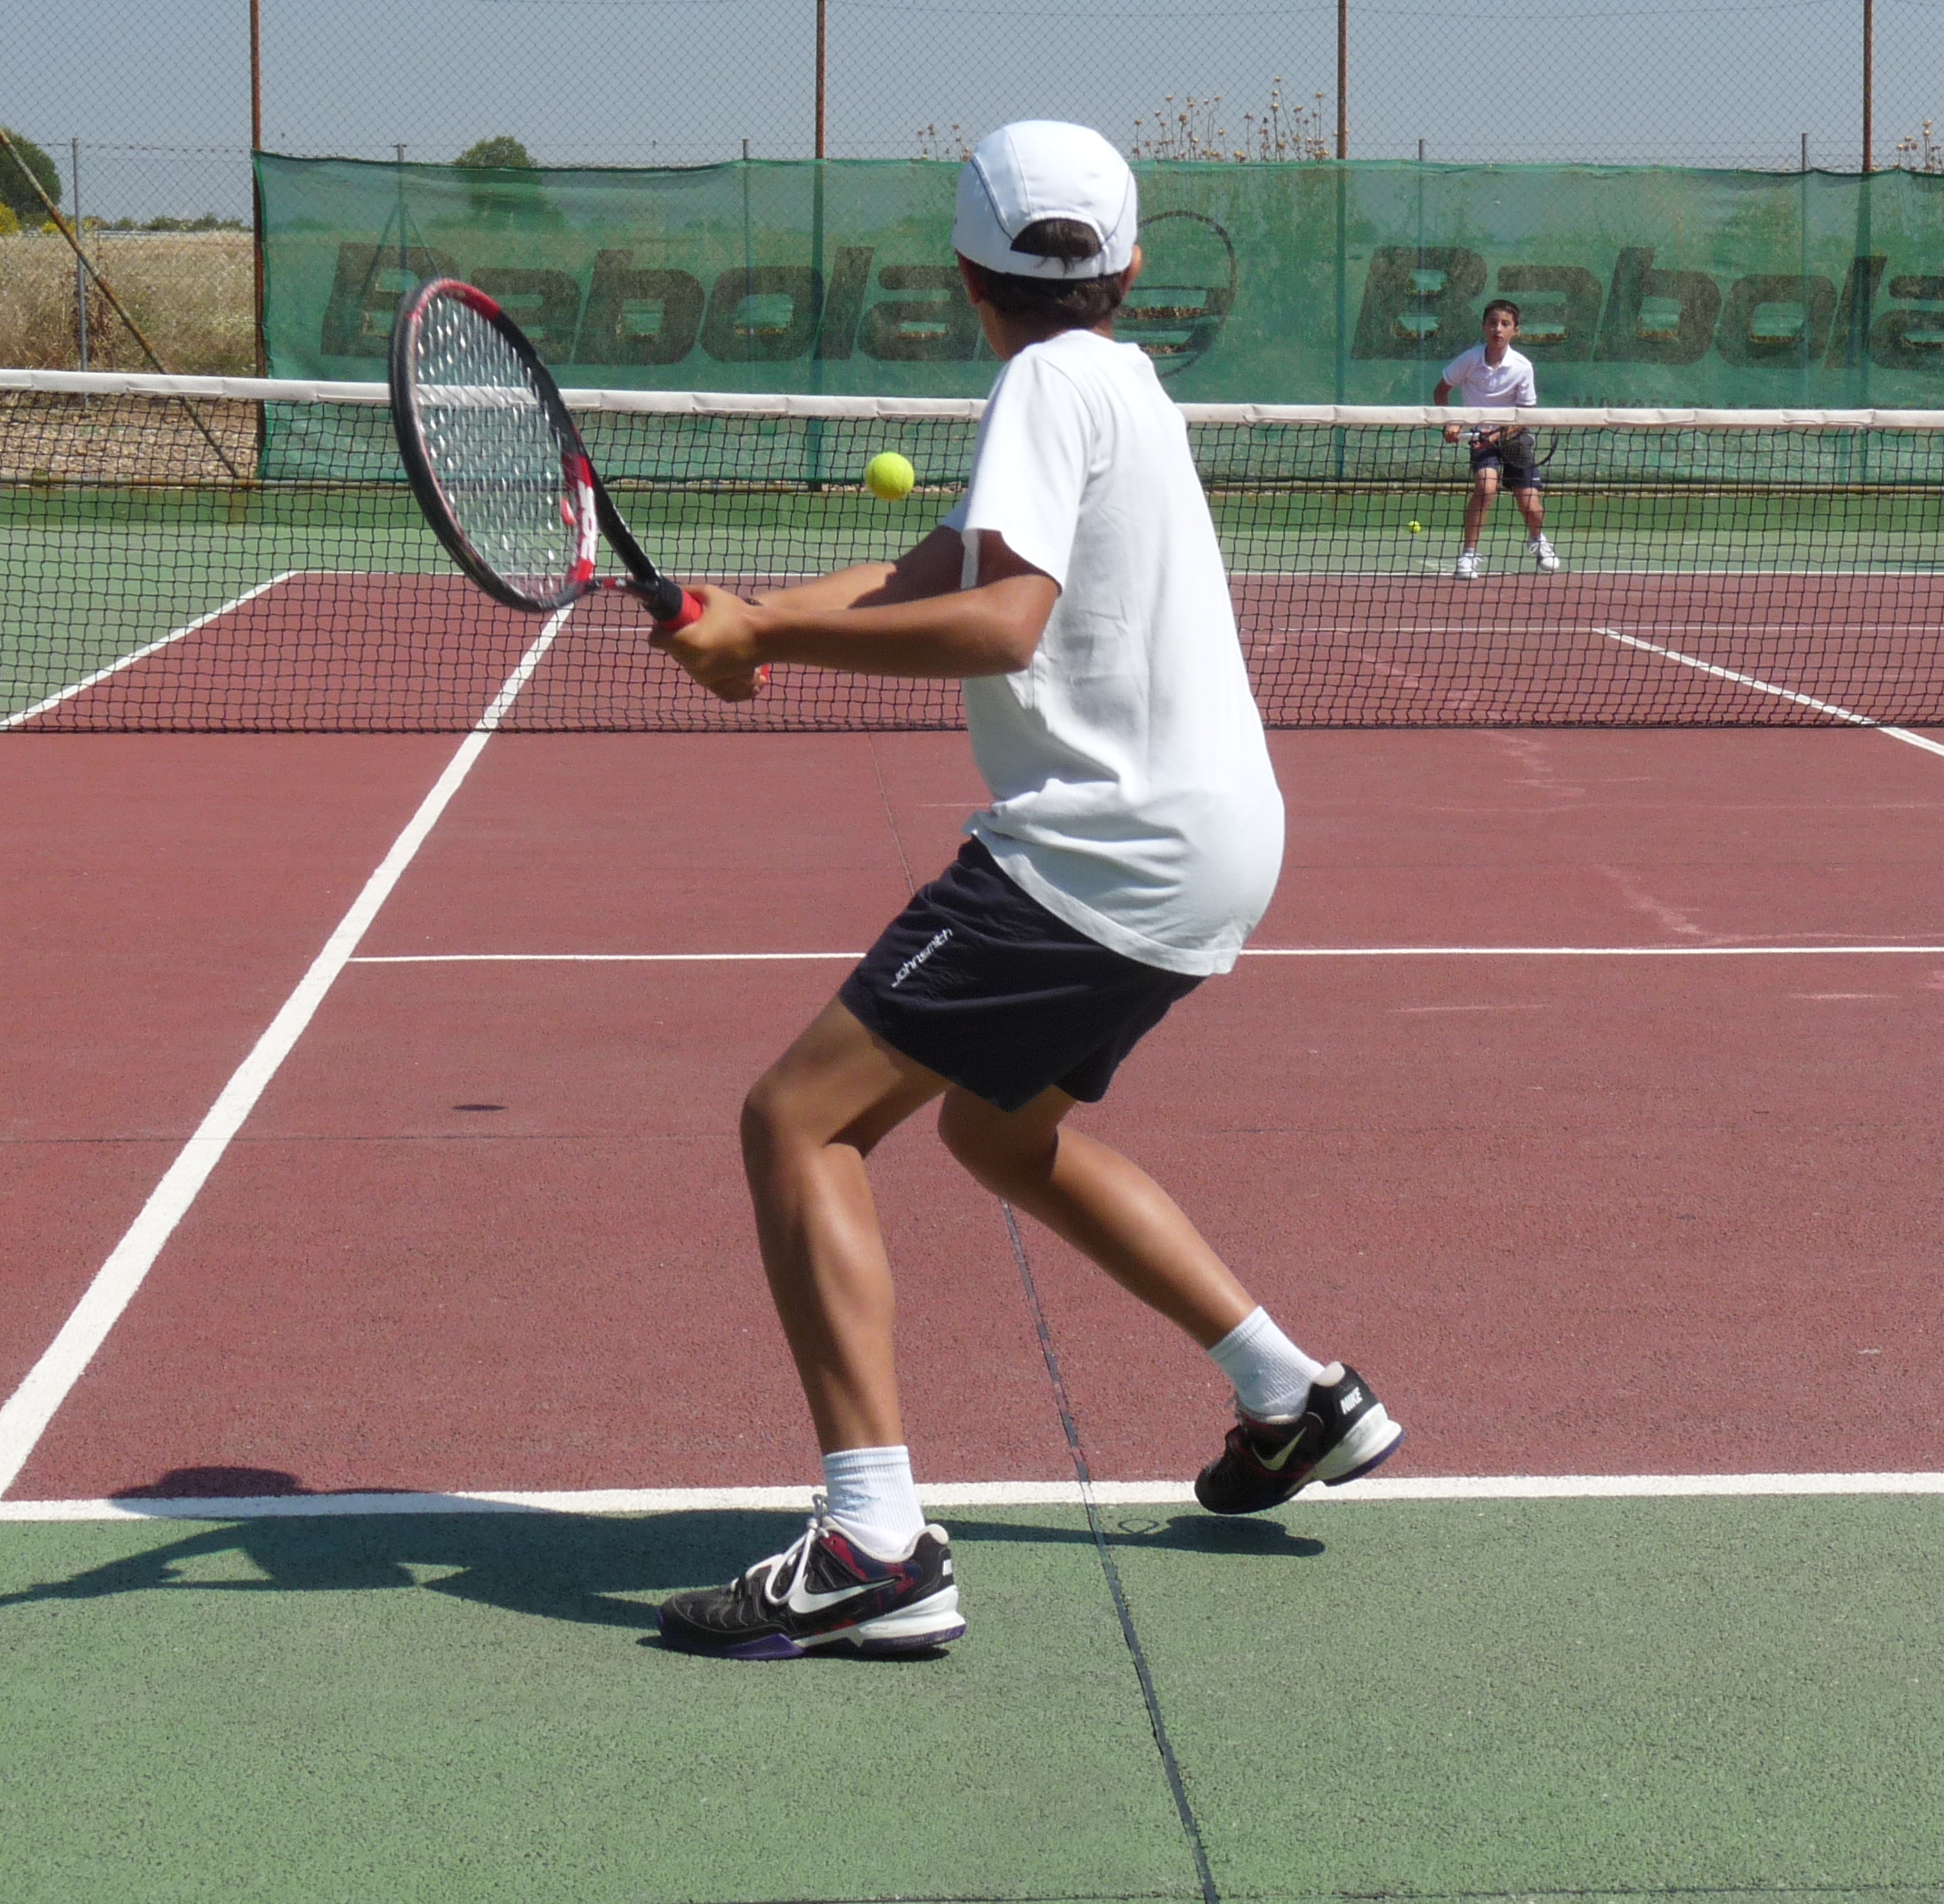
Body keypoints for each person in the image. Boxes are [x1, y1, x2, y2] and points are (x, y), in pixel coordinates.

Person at [647, 120, 1402, 1661]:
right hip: (1215, 840)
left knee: (796, 1122)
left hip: (1098, 845)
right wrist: (758, 616)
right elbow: (941, 566)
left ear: (961, 276)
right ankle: (1291, 1394)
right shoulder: (1120, 381)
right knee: (998, 1134)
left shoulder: (1041, 384)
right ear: (1130, 267)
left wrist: (768, 641)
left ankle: (873, 1546)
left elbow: (1001, 624)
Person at [1431, 298, 1560, 578]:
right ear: (1484, 327)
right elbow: (1441, 390)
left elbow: (1525, 413)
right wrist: (1451, 421)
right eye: (1492, 323)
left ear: (1515, 330)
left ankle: (1537, 539)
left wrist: (1498, 434)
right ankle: (1468, 556)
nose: (1498, 329)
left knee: (1531, 506)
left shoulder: (1522, 366)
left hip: (1515, 438)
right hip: (1481, 438)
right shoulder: (1469, 359)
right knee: (1485, 488)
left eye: (1505, 324)